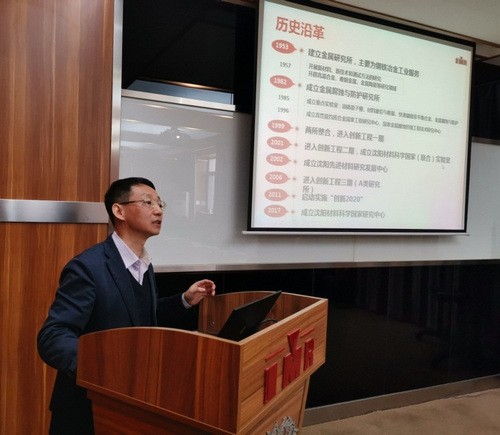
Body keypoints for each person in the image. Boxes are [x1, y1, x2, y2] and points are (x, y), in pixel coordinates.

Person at [37, 177, 216, 434]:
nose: (158, 210)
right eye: (148, 202)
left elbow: (139, 317)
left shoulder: (144, 264)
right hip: (87, 409)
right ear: (119, 211)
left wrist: (185, 300)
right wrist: (107, 366)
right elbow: (53, 336)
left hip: (131, 403)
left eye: (160, 203)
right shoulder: (88, 267)